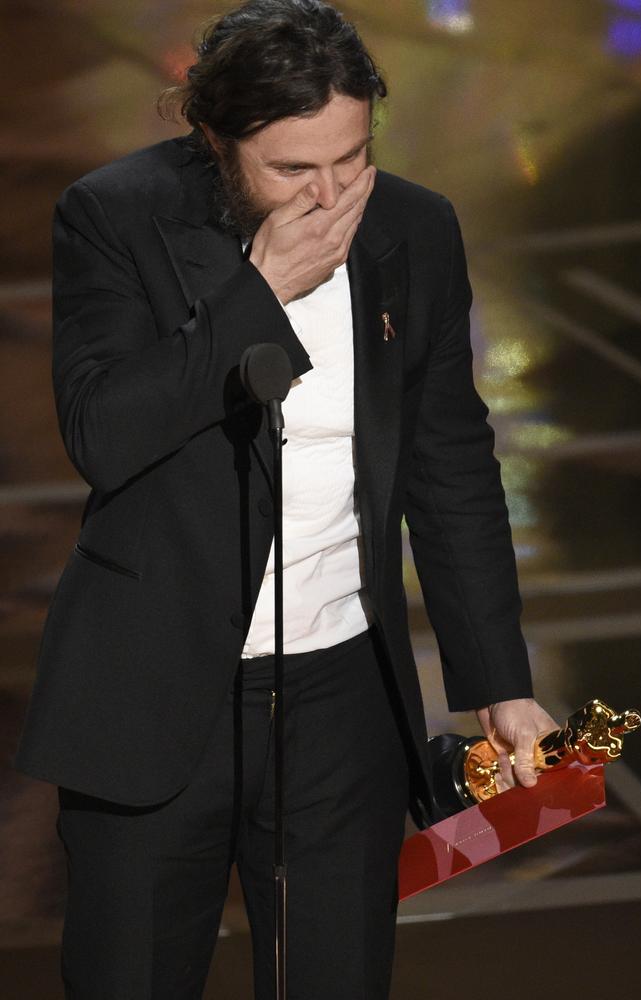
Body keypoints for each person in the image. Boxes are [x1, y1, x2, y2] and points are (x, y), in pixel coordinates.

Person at [14, 1, 557, 997]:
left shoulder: (413, 227)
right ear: (217, 142)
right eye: (292, 170)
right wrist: (253, 292)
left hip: (338, 697)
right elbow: (103, 434)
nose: (330, 195)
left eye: (350, 159)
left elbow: (448, 460)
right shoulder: (115, 213)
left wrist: (497, 677)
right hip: (152, 689)